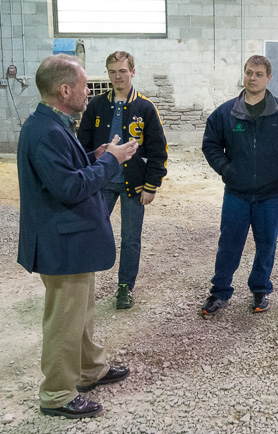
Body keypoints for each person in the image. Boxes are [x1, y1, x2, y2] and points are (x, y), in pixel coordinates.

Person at [17, 54, 137, 418]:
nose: (90, 91)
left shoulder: (53, 124)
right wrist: (109, 161)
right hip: (61, 244)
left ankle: (89, 369)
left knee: (80, 313)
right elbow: (69, 188)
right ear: (64, 90)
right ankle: (56, 393)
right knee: (64, 322)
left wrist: (94, 154)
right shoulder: (45, 132)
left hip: (72, 241)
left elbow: (65, 170)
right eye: (85, 85)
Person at [201, 55, 278, 317]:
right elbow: (210, 144)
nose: (252, 78)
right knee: (229, 243)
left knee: (266, 244)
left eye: (258, 74)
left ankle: (261, 288)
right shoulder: (226, 112)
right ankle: (219, 292)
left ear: (269, 78)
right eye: (249, 73)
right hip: (236, 194)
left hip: (271, 195)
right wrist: (227, 170)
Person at [78, 51, 168, 309]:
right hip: (100, 184)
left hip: (133, 185)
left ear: (133, 72)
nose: (117, 77)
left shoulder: (145, 108)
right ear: (107, 74)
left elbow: (158, 150)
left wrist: (152, 185)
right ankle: (83, 286)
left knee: (130, 238)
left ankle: (125, 287)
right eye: (112, 72)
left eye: (123, 71)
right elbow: (81, 145)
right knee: (92, 232)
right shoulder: (96, 105)